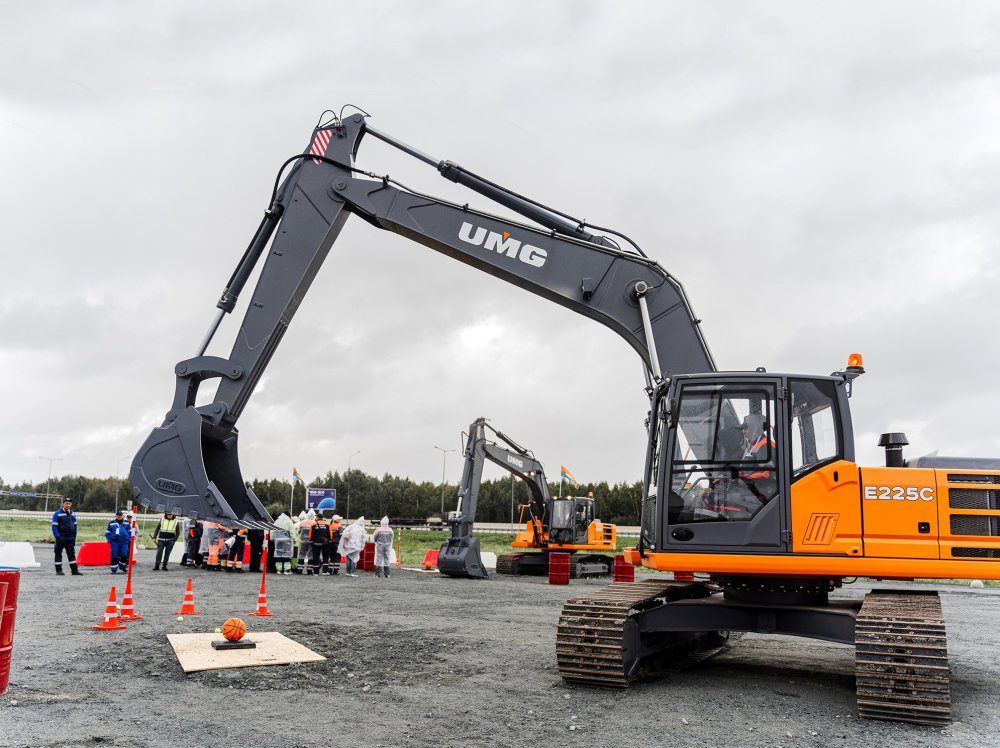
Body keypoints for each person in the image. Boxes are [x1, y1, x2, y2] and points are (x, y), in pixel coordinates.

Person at [51, 498, 81, 575]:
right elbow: (54, 526)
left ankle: (74, 570)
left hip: (70, 538)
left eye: (69, 503)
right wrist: (58, 536)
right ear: (63, 504)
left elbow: (75, 526)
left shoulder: (73, 514)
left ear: (71, 505)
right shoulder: (57, 513)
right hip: (61, 537)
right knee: (58, 553)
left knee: (71, 554)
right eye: (66, 503)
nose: (68, 505)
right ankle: (59, 570)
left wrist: (74, 537)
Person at [105, 509, 131, 574]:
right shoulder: (111, 523)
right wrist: (109, 540)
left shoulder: (127, 523)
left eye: (120, 515)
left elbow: (130, 532)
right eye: (118, 515)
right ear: (116, 516)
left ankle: (122, 566)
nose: (119, 516)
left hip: (124, 542)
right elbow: (107, 533)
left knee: (125, 554)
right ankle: (114, 569)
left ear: (122, 516)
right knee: (114, 555)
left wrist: (128, 539)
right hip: (114, 542)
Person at [296, 510, 315, 575]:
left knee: (301, 555)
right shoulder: (314, 523)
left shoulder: (302, 522)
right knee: (310, 556)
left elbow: (299, 531)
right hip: (311, 541)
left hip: (303, 541)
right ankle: (309, 571)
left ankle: (299, 570)